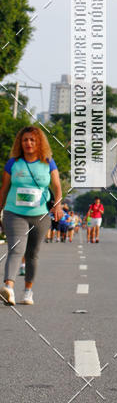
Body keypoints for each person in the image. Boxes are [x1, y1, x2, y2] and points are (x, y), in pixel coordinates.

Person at [0, 126, 62, 305]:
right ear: (20, 142)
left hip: (40, 215)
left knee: (32, 254)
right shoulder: (13, 163)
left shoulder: (48, 162)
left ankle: (28, 291)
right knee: (16, 249)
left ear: (39, 142)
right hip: (14, 213)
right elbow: (4, 189)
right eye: (25, 140)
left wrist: (57, 206)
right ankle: (8, 288)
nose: (28, 143)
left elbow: (57, 187)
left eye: (32, 140)